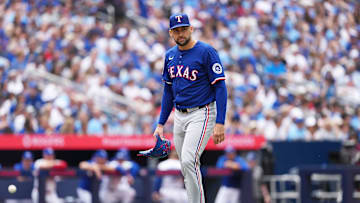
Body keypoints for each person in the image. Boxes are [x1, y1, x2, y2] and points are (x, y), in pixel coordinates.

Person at [153, 13, 227, 203]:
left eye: (184, 29)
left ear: (191, 29)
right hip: (179, 114)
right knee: (185, 166)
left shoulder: (206, 52)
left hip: (202, 112)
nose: (181, 33)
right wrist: (161, 123)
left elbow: (220, 87)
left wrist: (220, 122)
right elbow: (168, 92)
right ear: (171, 33)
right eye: (176, 30)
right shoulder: (169, 56)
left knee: (188, 160)